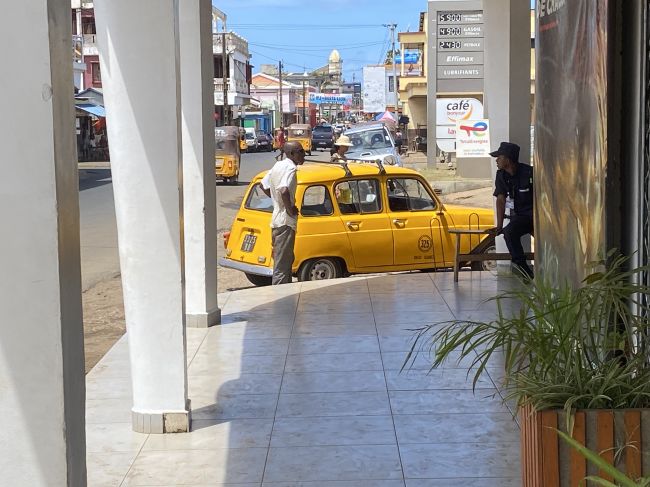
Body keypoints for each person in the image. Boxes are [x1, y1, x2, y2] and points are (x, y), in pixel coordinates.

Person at [261, 141, 306, 285]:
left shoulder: (278, 165)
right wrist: (289, 208)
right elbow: (283, 189)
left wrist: (276, 200)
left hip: (277, 219)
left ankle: (285, 297)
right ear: (292, 154)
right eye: (301, 151)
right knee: (282, 266)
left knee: (286, 261)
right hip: (285, 221)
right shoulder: (290, 168)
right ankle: (279, 300)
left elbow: (264, 184)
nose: (304, 154)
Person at [489, 142, 535, 279]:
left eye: (499, 157)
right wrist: (499, 225)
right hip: (519, 217)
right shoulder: (501, 176)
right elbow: (501, 200)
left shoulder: (529, 173)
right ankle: (523, 269)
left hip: (535, 216)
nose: (496, 160)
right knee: (508, 232)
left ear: (508, 159)